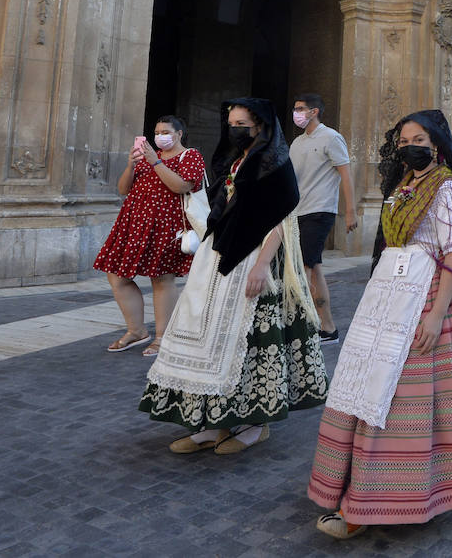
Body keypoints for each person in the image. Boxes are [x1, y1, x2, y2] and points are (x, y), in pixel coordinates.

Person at [308, 110, 452, 539]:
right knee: (363, 387)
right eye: (402, 140)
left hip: (426, 298)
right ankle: (354, 489)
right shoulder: (403, 185)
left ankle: (371, 503)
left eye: (418, 138)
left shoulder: (446, 185)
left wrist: (434, 315)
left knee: (397, 398)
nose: (408, 145)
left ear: (436, 144)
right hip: (387, 298)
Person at [141, 98, 327, 454]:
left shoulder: (276, 162)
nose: (234, 129)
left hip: (255, 257)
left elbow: (282, 217)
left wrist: (260, 265)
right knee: (210, 336)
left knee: (250, 340)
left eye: (242, 123)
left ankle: (255, 424)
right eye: (231, 123)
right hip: (220, 257)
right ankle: (213, 422)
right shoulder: (236, 160)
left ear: (260, 126)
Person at [94, 115, 206, 357]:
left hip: (166, 225)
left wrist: (156, 163)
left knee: (162, 279)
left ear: (179, 134)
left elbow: (182, 186)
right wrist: (131, 165)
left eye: (165, 132)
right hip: (132, 224)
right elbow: (123, 189)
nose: (159, 136)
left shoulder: (191, 156)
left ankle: (162, 337)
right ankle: (136, 331)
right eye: (156, 132)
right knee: (116, 275)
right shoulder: (146, 157)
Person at [289, 93, 357, 346]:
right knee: (313, 267)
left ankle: (304, 325)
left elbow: (346, 174)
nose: (295, 113)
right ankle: (327, 328)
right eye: (295, 108)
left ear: (314, 111)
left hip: (320, 211)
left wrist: (350, 211)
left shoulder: (331, 137)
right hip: (297, 211)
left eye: (300, 108)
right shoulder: (296, 143)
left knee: (305, 268)